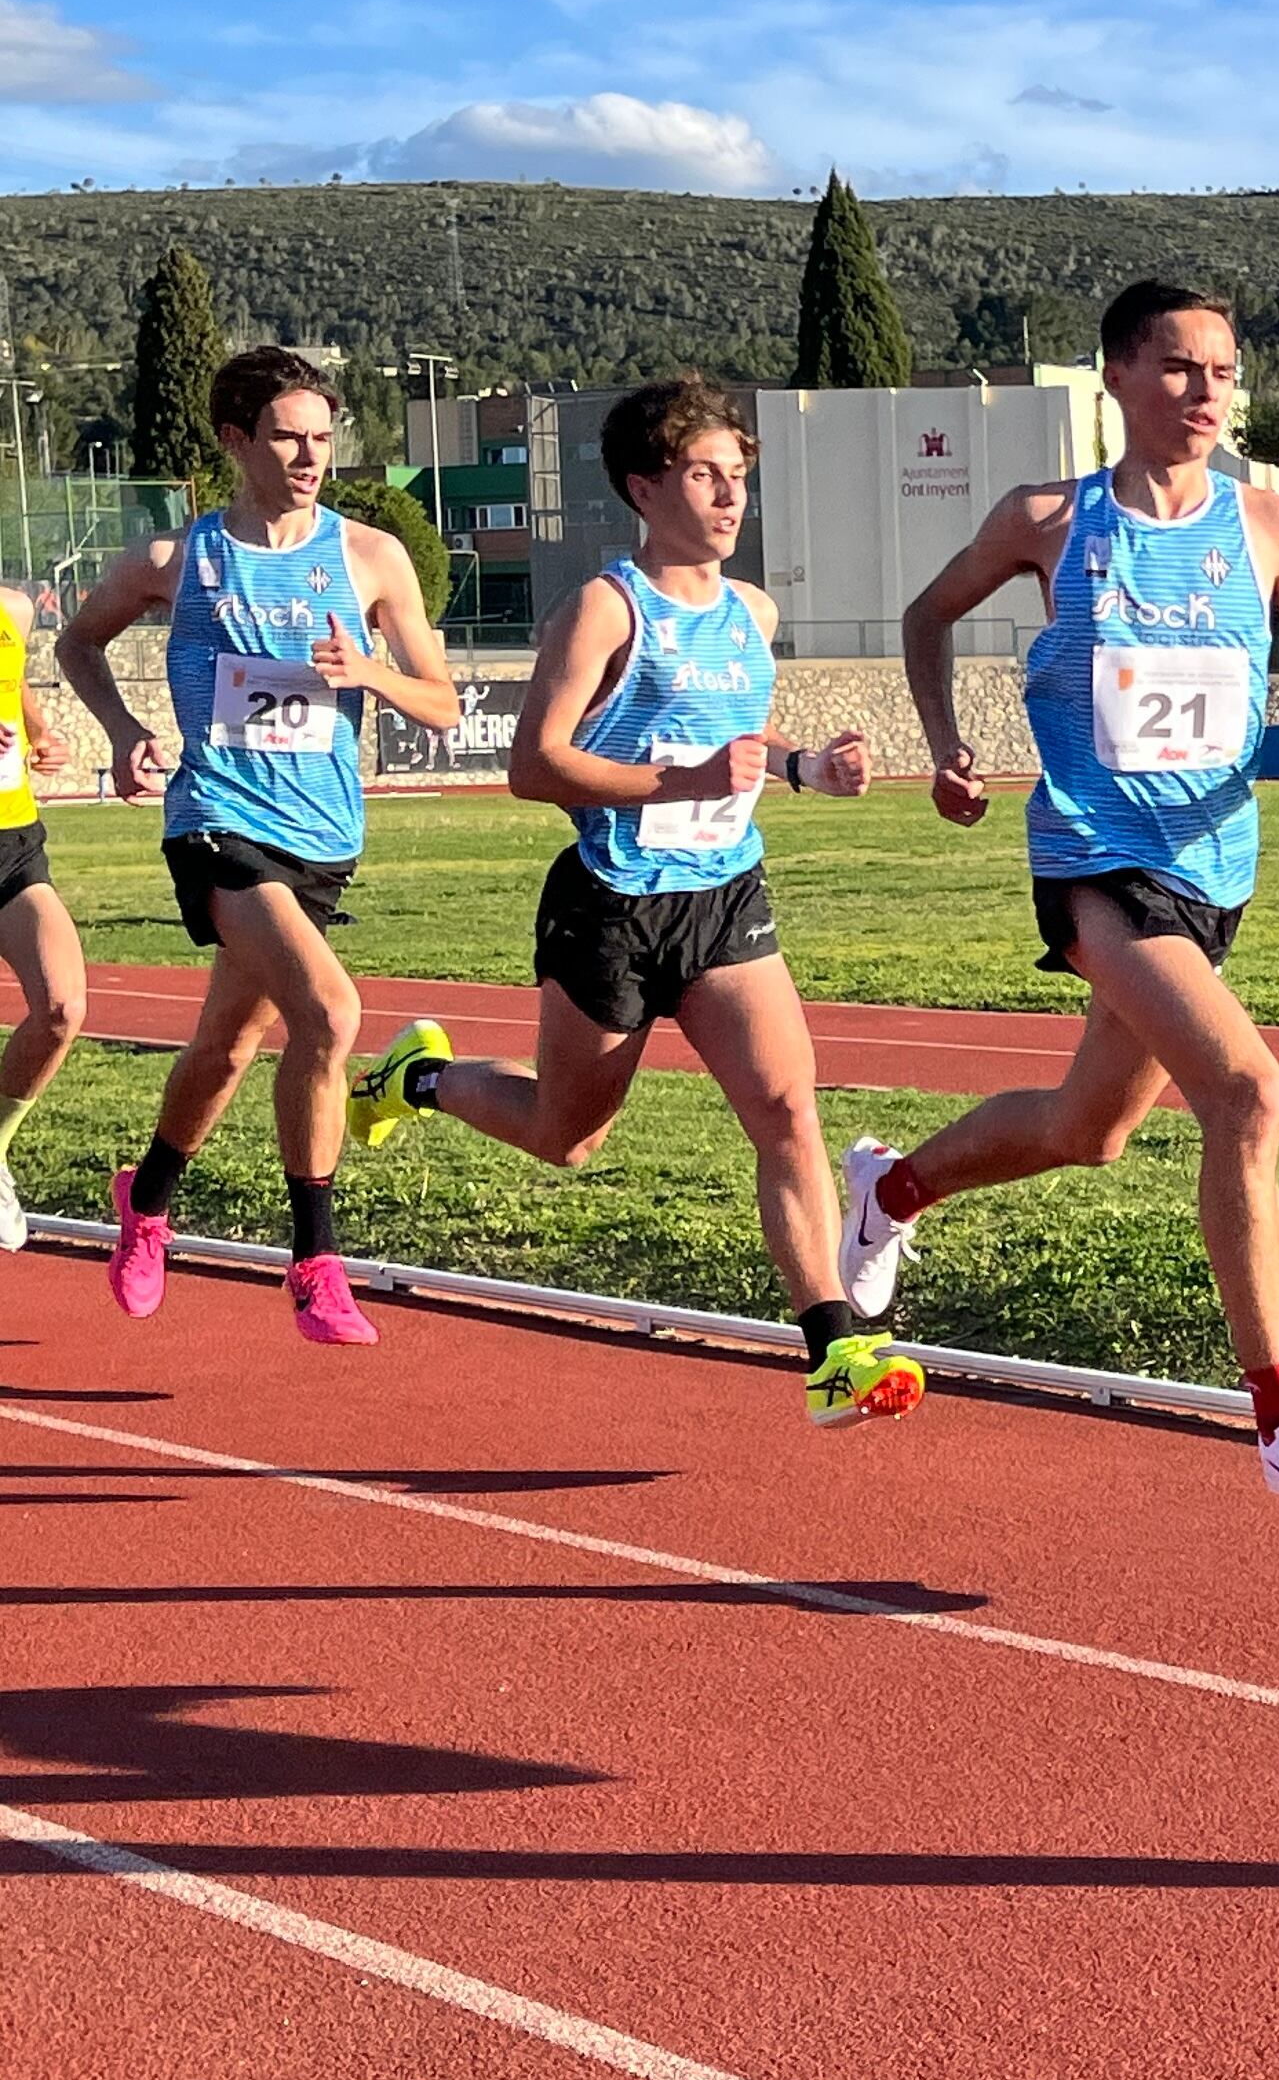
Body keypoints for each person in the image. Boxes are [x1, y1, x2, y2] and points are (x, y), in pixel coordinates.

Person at [832, 278, 1279, 1512]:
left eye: (1226, 371)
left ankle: (891, 1188)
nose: (1208, 392)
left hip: (1214, 868)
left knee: (1090, 1128)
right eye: (1183, 368)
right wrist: (943, 744)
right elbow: (928, 616)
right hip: (1096, 860)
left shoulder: (1269, 527)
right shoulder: (1051, 518)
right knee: (1249, 1094)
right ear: (1119, 381)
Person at [344, 376, 925, 1429]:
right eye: (705, 474)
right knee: (567, 1136)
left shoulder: (753, 610)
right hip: (611, 906)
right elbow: (534, 763)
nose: (728, 495)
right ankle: (419, 1077)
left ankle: (835, 1345)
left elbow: (741, 742)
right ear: (643, 485)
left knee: (789, 1110)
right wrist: (685, 783)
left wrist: (805, 769)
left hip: (723, 896)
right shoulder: (607, 608)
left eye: (739, 475)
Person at [56, 347, 461, 1341]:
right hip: (217, 821)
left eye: (323, 436)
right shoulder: (176, 561)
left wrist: (368, 668)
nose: (311, 453)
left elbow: (443, 704)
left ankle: (145, 1203)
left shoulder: (371, 557)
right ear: (235, 439)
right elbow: (76, 640)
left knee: (229, 1045)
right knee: (329, 1013)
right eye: (287, 435)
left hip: (323, 835)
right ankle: (317, 1262)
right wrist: (121, 732)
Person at [0, 582, 86, 1251]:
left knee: (61, 1005)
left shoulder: (15, 609)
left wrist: (41, 734)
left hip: (13, 845)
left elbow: (16, 685)